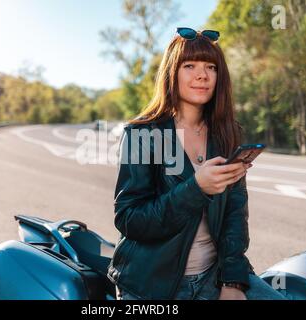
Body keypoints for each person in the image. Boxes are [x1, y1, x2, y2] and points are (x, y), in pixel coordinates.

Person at [107, 27, 286, 300]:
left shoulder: (226, 133)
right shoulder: (143, 134)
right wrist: (196, 188)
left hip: (213, 276)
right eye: (189, 65)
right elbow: (130, 220)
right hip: (152, 285)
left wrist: (233, 282)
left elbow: (235, 216)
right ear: (171, 73)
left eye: (210, 67)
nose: (202, 75)